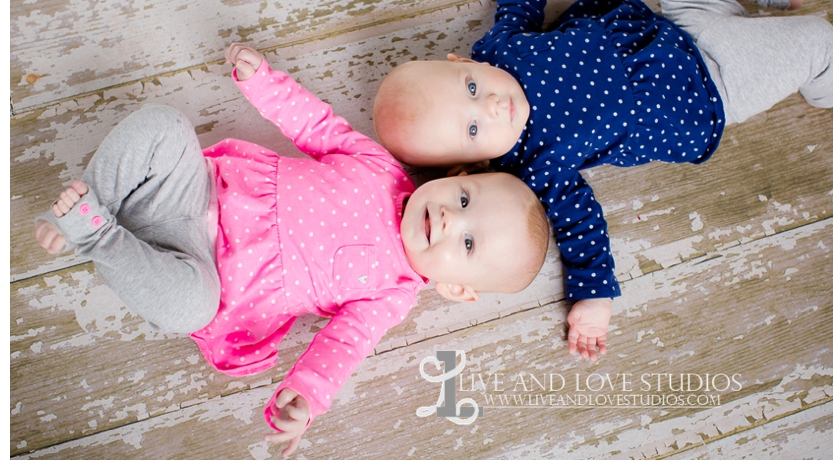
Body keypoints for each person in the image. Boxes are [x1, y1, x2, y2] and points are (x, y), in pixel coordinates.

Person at [372, 0, 833, 363]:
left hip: (676, 26)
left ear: (464, 60)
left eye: (469, 87)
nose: (490, 106)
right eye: (472, 128)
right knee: (818, 40)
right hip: (711, 86)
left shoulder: (502, 48)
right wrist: (593, 299)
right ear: (474, 163)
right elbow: (581, 226)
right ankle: (827, 88)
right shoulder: (534, 165)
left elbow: (519, 2)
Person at [34, 42, 549, 457]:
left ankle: (97, 235)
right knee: (165, 125)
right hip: (195, 191)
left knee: (186, 307)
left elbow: (343, 348)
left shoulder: (391, 293)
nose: (450, 218)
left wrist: (306, 396)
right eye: (463, 199)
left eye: (466, 241)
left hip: (203, 273)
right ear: (457, 176)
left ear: (456, 288)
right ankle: (90, 196)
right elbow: (315, 125)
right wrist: (263, 80)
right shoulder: (378, 165)